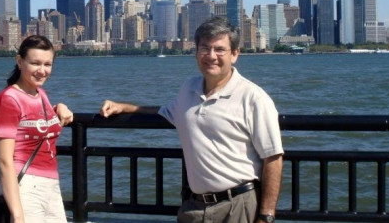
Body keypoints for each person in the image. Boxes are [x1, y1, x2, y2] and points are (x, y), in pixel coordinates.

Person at [100, 17, 283, 223]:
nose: (211, 56)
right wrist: (123, 107)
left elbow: (273, 158)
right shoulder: (189, 88)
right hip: (194, 208)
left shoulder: (253, 97)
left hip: (237, 206)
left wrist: (266, 216)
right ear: (196, 53)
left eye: (220, 49)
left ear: (235, 54)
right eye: (204, 48)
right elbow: (163, 111)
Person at [0, 35, 73, 223]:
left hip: (51, 185)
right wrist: (18, 215)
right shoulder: (9, 99)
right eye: (35, 63)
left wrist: (59, 106)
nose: (42, 71)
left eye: (48, 64)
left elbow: (36, 122)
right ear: (20, 62)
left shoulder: (40, 94)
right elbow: (5, 161)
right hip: (25, 186)